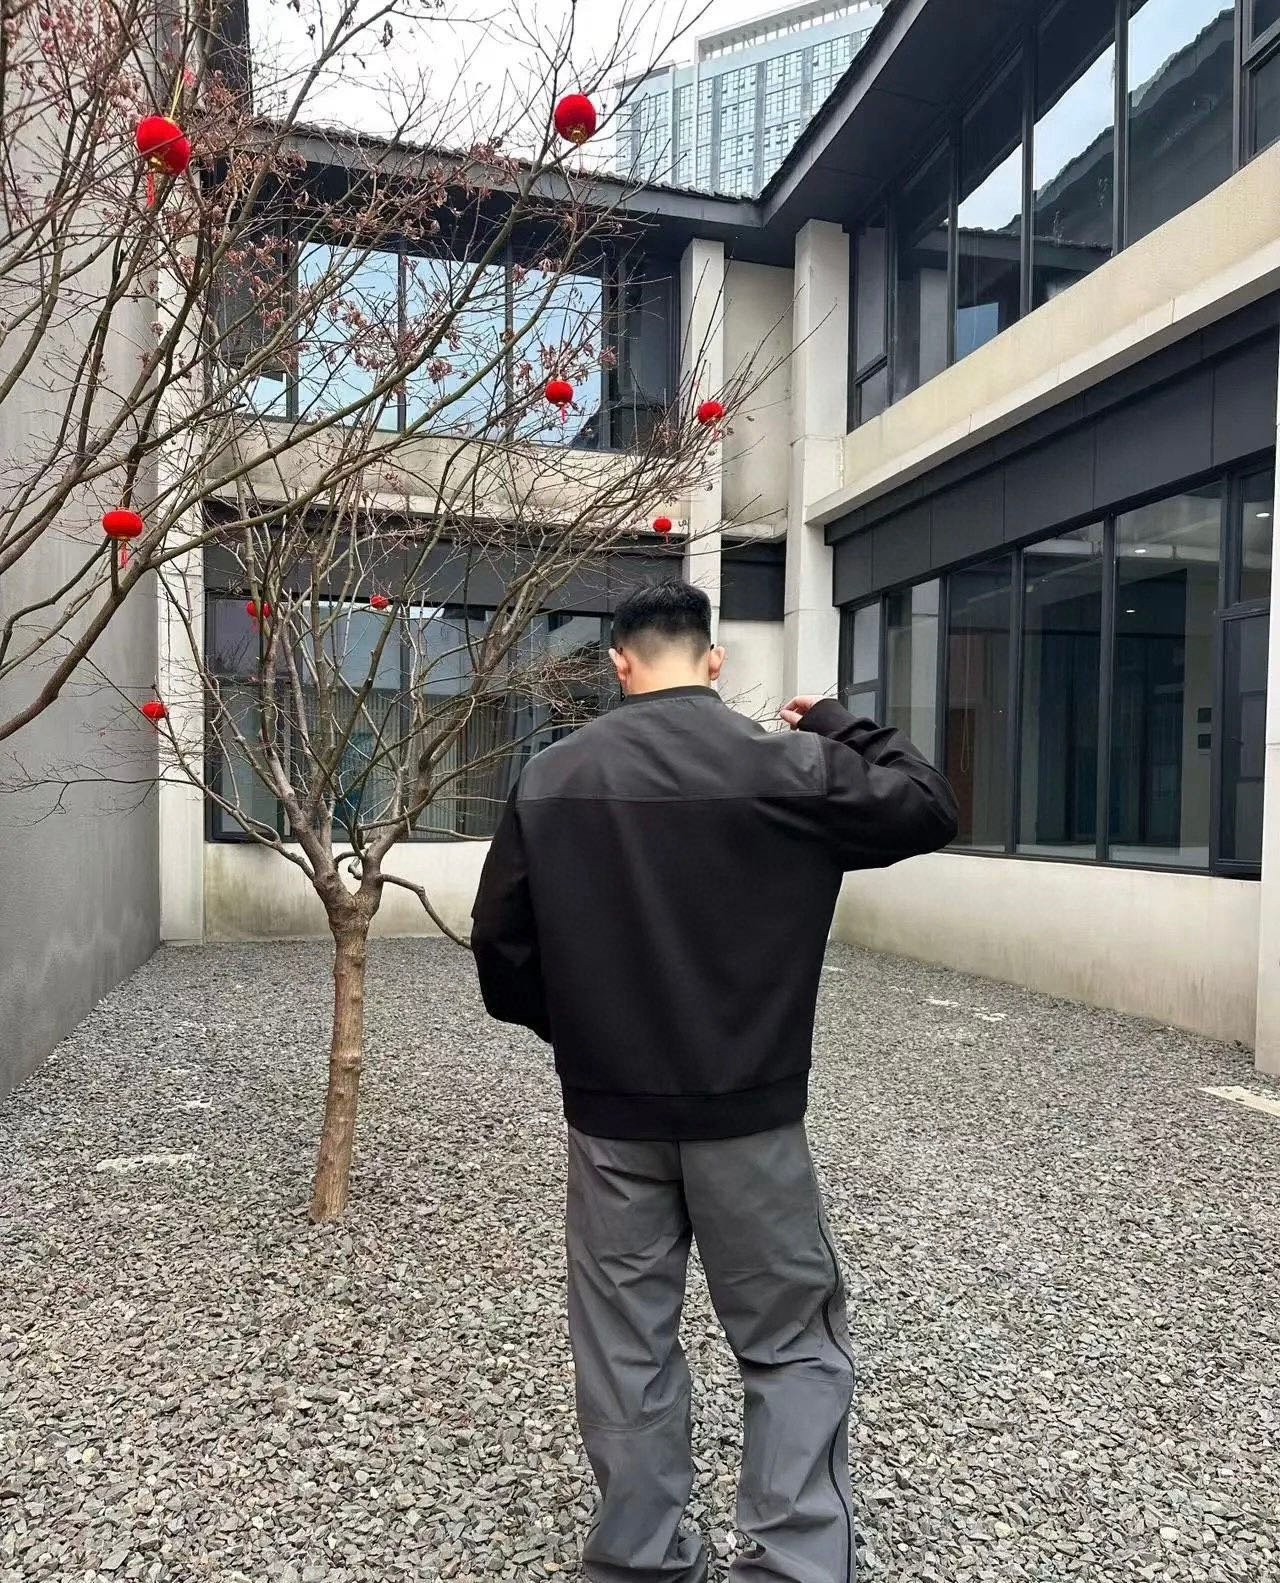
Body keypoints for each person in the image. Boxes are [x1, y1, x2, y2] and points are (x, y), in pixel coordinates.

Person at [471, 580, 957, 1583]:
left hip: (611, 1117)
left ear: (618, 663)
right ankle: (792, 1563)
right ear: (713, 659)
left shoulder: (552, 774)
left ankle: (640, 1559)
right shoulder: (791, 765)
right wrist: (834, 720)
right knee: (789, 1339)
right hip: (750, 1115)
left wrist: (584, 1036)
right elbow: (928, 804)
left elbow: (500, 950)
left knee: (626, 1345)